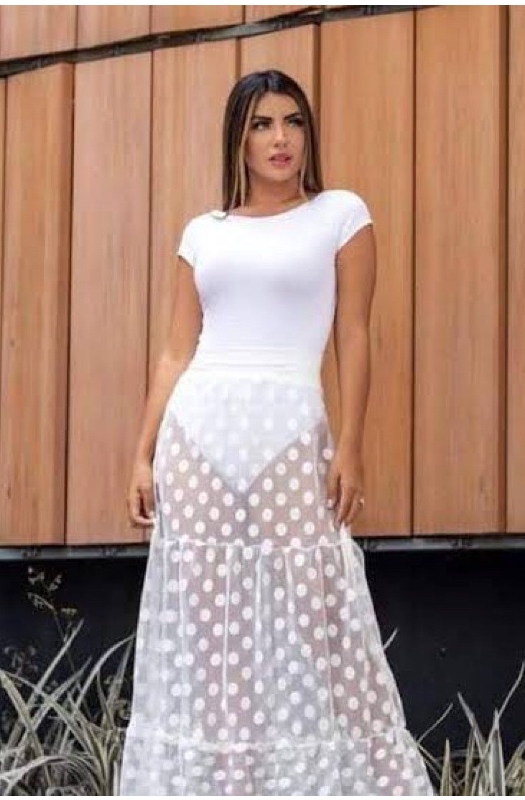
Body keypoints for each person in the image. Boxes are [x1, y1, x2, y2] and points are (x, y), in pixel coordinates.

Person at [119, 69, 434, 796]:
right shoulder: (205, 232)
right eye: (262, 124)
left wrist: (350, 444)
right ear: (239, 137)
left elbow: (354, 336)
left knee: (310, 611)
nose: (280, 138)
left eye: (292, 122)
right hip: (197, 439)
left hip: (291, 437)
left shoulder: (340, 215)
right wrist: (141, 454)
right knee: (207, 626)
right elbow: (175, 351)